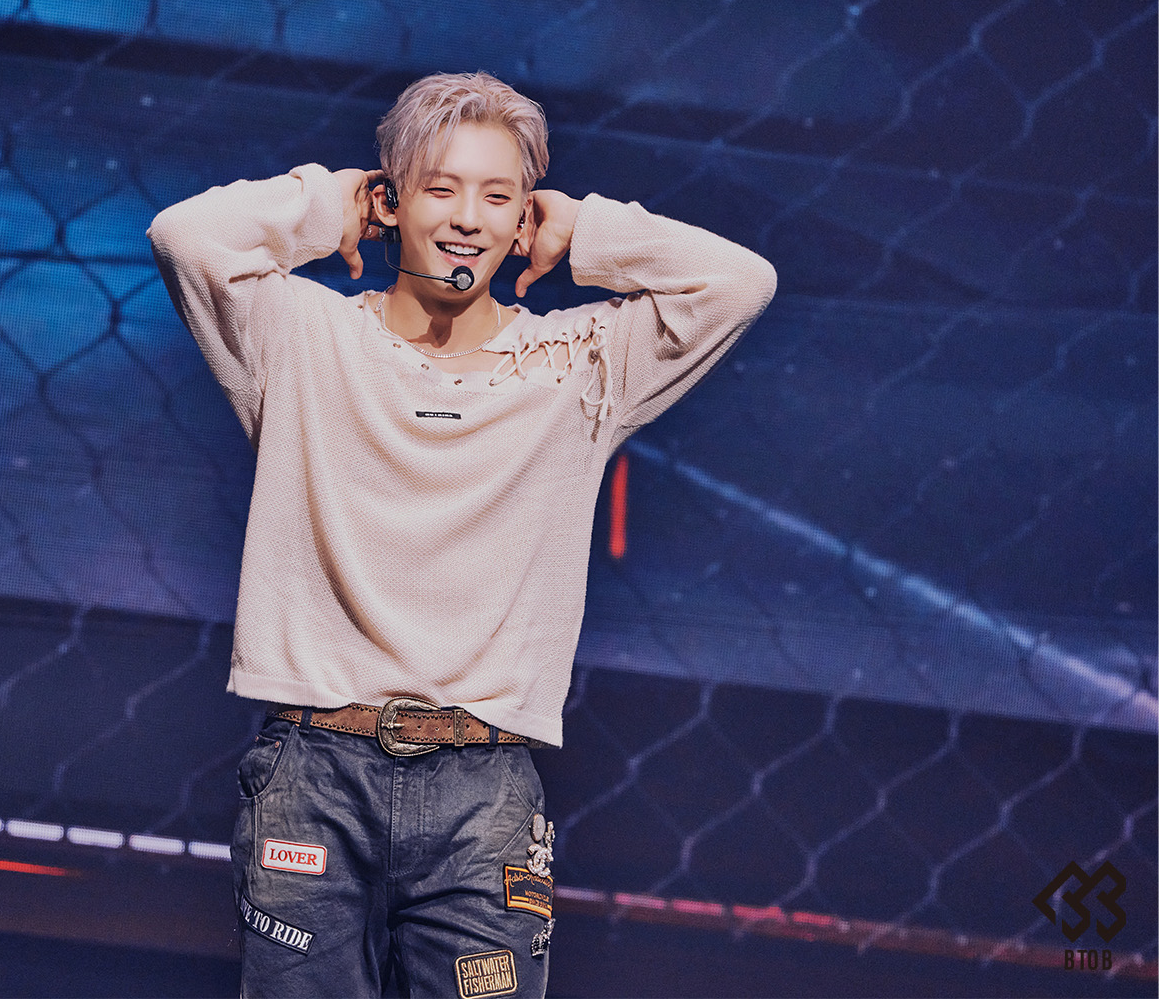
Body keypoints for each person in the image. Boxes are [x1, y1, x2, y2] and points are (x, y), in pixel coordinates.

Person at [148, 70, 775, 999]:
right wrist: (331, 205)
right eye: (439, 189)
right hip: (312, 774)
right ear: (392, 202)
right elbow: (185, 236)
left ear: (525, 219)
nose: (467, 220)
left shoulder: (579, 365)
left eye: (498, 196)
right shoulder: (301, 339)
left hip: (485, 794)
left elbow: (740, 282)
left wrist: (587, 232)